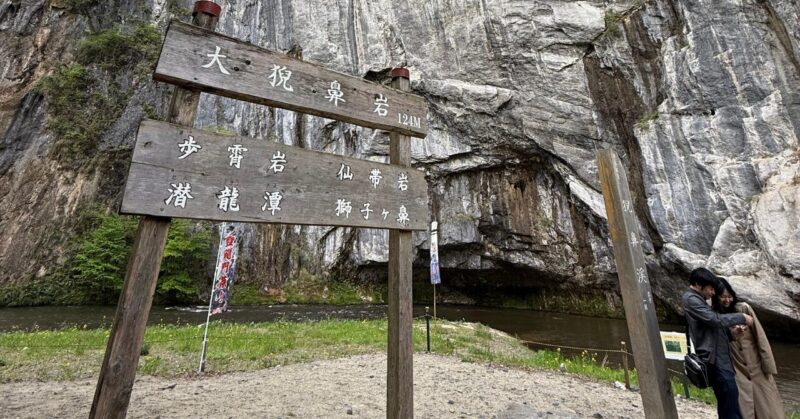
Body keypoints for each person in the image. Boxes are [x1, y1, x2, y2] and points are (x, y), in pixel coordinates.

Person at [683, 267, 754, 419]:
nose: (713, 293)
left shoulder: (699, 300)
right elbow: (715, 320)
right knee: (730, 408)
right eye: (711, 289)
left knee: (728, 405)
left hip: (720, 360)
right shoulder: (691, 299)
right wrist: (741, 317)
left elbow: (711, 329)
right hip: (715, 361)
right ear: (698, 284)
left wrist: (731, 334)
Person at [712, 277, 786, 419]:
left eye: (729, 296)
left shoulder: (743, 308)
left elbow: (760, 337)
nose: (727, 300)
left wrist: (768, 365)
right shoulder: (715, 316)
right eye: (723, 297)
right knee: (745, 407)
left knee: (769, 407)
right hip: (737, 370)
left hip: (757, 366)